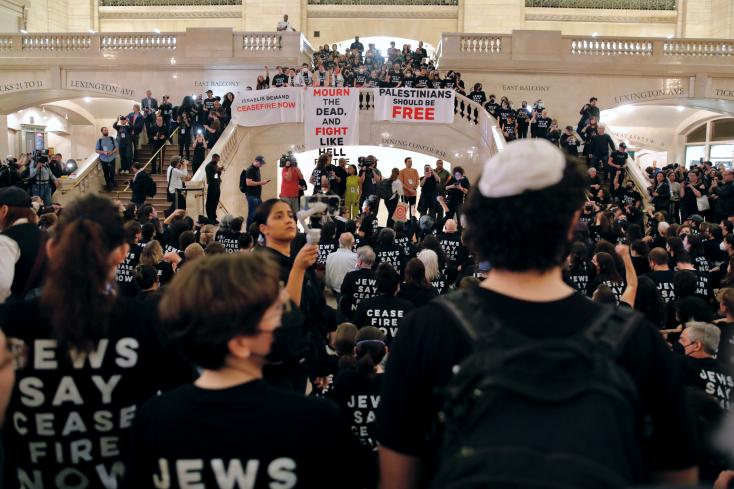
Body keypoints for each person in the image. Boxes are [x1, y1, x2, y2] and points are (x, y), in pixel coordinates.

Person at [376, 139, 697, 488]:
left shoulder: (426, 331)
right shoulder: (638, 342)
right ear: (573, 220)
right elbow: (677, 477)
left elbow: (398, 480)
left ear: (479, 220)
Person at [1, 194, 194, 489]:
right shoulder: (147, 321)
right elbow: (186, 400)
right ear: (121, 253)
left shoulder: (11, 321)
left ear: (52, 249)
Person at [123, 253, 361, 488]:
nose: (284, 319)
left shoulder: (154, 419)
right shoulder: (314, 421)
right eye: (275, 311)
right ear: (240, 339)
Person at [0, 187, 46, 303]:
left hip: (22, 311)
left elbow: (2, 285)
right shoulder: (43, 234)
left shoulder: (6, 239)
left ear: (4, 210)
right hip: (49, 304)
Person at [677, 322, 733, 410]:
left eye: (682, 340)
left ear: (697, 346)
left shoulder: (683, 364)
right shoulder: (730, 373)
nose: (678, 343)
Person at [354, 263, 414, 345]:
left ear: (377, 285)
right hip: (397, 353)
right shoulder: (408, 307)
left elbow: (357, 332)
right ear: (397, 287)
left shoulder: (364, 304)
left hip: (370, 353)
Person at [340, 246, 378, 319]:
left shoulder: (350, 275)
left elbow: (343, 290)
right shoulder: (378, 277)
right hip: (372, 314)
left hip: (352, 313)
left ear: (360, 261)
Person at [242, 155, 270, 228]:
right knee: (252, 214)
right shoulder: (250, 169)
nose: (261, 165)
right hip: (251, 195)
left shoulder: (257, 169)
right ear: (256, 161)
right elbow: (248, 182)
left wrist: (261, 182)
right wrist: (261, 182)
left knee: (260, 211)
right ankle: (249, 231)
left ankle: (256, 229)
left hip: (257, 195)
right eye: (261, 163)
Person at [205, 153, 223, 224]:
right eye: (217, 159)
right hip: (212, 187)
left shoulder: (215, 165)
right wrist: (217, 170)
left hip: (217, 187)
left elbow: (216, 175)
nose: (218, 161)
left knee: (215, 202)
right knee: (211, 203)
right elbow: (211, 176)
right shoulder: (208, 166)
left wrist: (219, 171)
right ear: (214, 158)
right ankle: (210, 218)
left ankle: (214, 217)